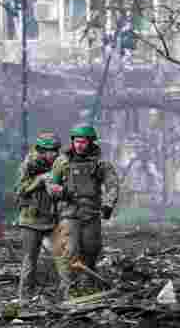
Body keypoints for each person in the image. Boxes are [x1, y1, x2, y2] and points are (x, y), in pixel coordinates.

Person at [48, 123, 119, 301]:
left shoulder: (101, 164)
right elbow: (51, 185)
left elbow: (112, 185)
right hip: (69, 213)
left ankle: (88, 288)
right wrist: (60, 191)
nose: (79, 145)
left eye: (83, 142)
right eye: (76, 141)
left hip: (91, 214)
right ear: (72, 142)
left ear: (90, 142)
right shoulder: (61, 162)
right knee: (69, 252)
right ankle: (68, 290)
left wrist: (108, 205)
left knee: (91, 250)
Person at [14, 131, 62, 302]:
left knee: (63, 259)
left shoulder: (59, 164)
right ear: (42, 150)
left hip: (52, 219)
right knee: (29, 261)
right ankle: (25, 299)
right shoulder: (28, 165)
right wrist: (39, 181)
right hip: (31, 220)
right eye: (51, 151)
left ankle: (66, 294)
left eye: (57, 150)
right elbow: (19, 190)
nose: (55, 154)